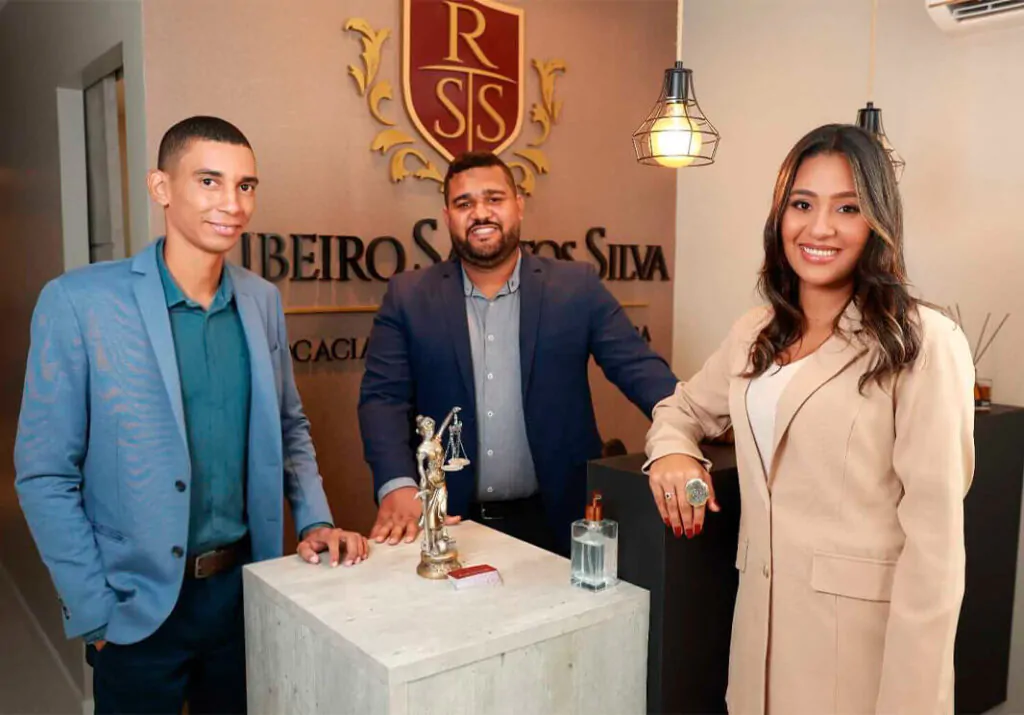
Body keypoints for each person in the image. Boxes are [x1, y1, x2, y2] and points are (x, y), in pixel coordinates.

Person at [14, 116, 368, 715]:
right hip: (134, 608)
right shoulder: (78, 303)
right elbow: (44, 473)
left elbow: (290, 428)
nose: (232, 203)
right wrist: (93, 608)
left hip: (243, 596)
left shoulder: (261, 300)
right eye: (209, 181)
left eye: (246, 185)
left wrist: (314, 521)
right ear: (161, 187)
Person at [645, 124, 975, 714]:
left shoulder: (922, 342)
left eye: (847, 208)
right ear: (780, 216)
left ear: (877, 221)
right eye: (802, 204)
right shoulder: (755, 332)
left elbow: (935, 553)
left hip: (859, 661)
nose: (819, 228)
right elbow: (682, 408)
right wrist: (673, 452)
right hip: (758, 647)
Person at [359, 151, 679, 555]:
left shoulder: (576, 287)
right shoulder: (408, 296)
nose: (480, 213)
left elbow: (639, 368)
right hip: (447, 523)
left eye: (494, 199)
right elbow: (382, 400)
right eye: (464, 203)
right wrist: (397, 484)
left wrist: (694, 421)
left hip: (557, 524)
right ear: (447, 216)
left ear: (519, 205)